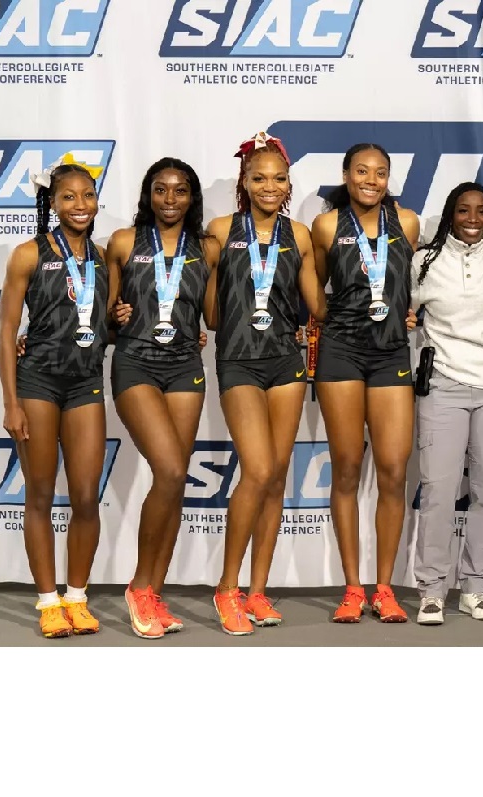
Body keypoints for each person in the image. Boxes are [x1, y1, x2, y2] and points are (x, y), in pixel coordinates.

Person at [205, 132, 326, 636]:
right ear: (244, 182)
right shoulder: (218, 230)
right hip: (238, 361)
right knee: (255, 470)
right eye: (259, 178)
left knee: (275, 475)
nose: (269, 186)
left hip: (284, 362)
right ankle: (226, 589)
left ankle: (256, 591)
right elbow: (210, 316)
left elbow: (318, 306)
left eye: (278, 179)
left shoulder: (298, 236)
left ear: (288, 183)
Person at [0, 162, 121, 639]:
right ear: (51, 203)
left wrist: (121, 316)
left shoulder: (104, 256)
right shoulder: (28, 254)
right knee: (42, 494)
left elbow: (102, 322)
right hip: (39, 384)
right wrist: (11, 402)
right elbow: (8, 330)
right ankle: (49, 601)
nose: (80, 206)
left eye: (88, 196)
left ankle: (77, 597)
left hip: (86, 383)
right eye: (68, 197)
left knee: (87, 495)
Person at [105, 158, 219, 639]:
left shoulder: (207, 249)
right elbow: (105, 318)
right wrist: (118, 313)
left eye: (179, 191)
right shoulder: (124, 243)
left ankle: (153, 592)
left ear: (192, 198)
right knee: (172, 470)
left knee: (173, 483)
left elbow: (211, 317)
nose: (169, 200)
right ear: (147, 195)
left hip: (184, 368)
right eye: (160, 190)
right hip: (136, 362)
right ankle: (138, 585)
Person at [310, 143, 420, 624]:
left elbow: (406, 283)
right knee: (348, 467)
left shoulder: (409, 223)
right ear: (346, 175)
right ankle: (353, 587)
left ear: (388, 178)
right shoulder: (327, 225)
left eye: (379, 172)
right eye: (361, 171)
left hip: (391, 352)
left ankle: (385, 586)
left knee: (394, 469)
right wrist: (322, 317)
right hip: (342, 352)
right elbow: (312, 281)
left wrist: (404, 311)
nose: (370, 180)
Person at [410, 182, 483, 624]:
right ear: (449, 216)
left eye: (480, 211)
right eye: (462, 211)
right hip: (444, 387)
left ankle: (476, 588)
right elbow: (404, 307)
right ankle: (432, 590)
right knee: (437, 491)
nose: (472, 219)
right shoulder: (424, 261)